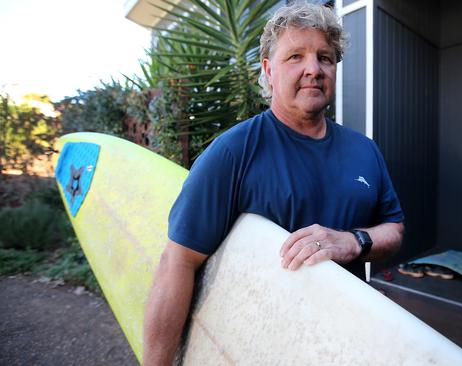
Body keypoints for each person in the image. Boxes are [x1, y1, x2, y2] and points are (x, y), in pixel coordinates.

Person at [143, 3, 405, 365]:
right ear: (269, 70)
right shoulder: (233, 152)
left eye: (325, 58)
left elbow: (394, 228)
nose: (313, 69)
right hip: (254, 350)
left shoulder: (365, 151)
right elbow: (178, 262)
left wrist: (354, 241)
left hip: (345, 347)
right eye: (295, 56)